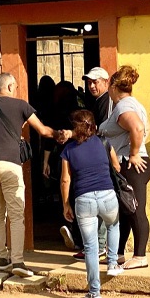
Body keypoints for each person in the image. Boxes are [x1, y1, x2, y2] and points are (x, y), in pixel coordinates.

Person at [0, 72, 66, 278]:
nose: (17, 90)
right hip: (10, 164)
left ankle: (2, 258)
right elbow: (43, 131)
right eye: (16, 86)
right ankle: (17, 260)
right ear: (10, 87)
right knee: (16, 214)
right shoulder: (21, 105)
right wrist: (61, 134)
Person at [60, 109, 123, 298]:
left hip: (83, 199)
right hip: (107, 195)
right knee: (113, 225)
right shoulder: (104, 142)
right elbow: (117, 166)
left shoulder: (68, 150)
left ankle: (94, 293)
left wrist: (65, 204)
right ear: (93, 125)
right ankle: (112, 263)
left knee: (91, 247)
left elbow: (65, 180)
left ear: (75, 128)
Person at [99, 65, 150, 270]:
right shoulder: (133, 104)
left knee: (136, 210)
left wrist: (134, 153)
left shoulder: (123, 106)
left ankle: (140, 256)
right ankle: (118, 253)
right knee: (125, 210)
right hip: (130, 164)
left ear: (113, 86)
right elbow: (145, 127)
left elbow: (138, 127)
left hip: (132, 165)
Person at [61, 67, 112, 259]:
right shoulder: (97, 102)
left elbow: (94, 132)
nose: (91, 85)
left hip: (102, 160)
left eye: (95, 82)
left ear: (106, 82)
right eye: (89, 82)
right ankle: (96, 247)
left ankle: (101, 248)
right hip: (101, 159)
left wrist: (72, 134)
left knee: (101, 211)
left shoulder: (106, 102)